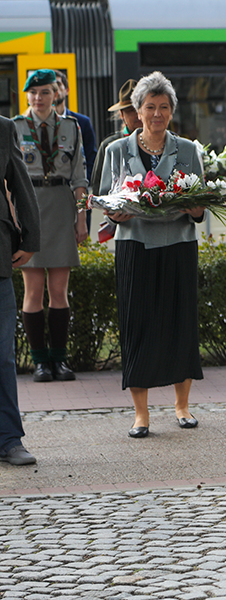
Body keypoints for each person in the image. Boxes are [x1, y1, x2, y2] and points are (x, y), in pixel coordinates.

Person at [98, 71, 206, 438]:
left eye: (163, 107)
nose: (156, 114)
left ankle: (182, 406)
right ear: (137, 110)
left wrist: (193, 207)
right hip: (134, 245)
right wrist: (116, 212)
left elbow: (201, 205)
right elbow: (106, 200)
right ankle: (141, 414)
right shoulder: (116, 151)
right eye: (149, 107)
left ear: (172, 111)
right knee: (137, 325)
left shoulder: (189, 150)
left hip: (178, 245)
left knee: (181, 322)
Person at [13, 69, 88, 382]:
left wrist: (81, 219)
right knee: (33, 292)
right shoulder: (15, 127)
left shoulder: (71, 127)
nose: (38, 98)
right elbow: (7, 178)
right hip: (28, 206)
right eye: (33, 93)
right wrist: (14, 219)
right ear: (27, 95)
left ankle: (60, 360)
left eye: (44, 92)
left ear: (56, 94)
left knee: (59, 290)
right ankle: (40, 362)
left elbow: (79, 175)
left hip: (60, 205)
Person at [0, 115, 41, 465]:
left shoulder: (2, 127)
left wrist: (30, 238)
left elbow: (20, 182)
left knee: (2, 355)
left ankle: (9, 439)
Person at [91, 79, 141, 195]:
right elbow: (97, 187)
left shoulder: (159, 142)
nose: (137, 115)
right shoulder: (109, 145)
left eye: (139, 109)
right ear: (122, 114)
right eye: (131, 110)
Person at [53, 70, 97, 185]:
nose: (54, 89)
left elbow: (91, 157)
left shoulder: (82, 122)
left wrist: (82, 185)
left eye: (58, 84)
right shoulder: (35, 123)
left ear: (67, 90)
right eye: (50, 86)